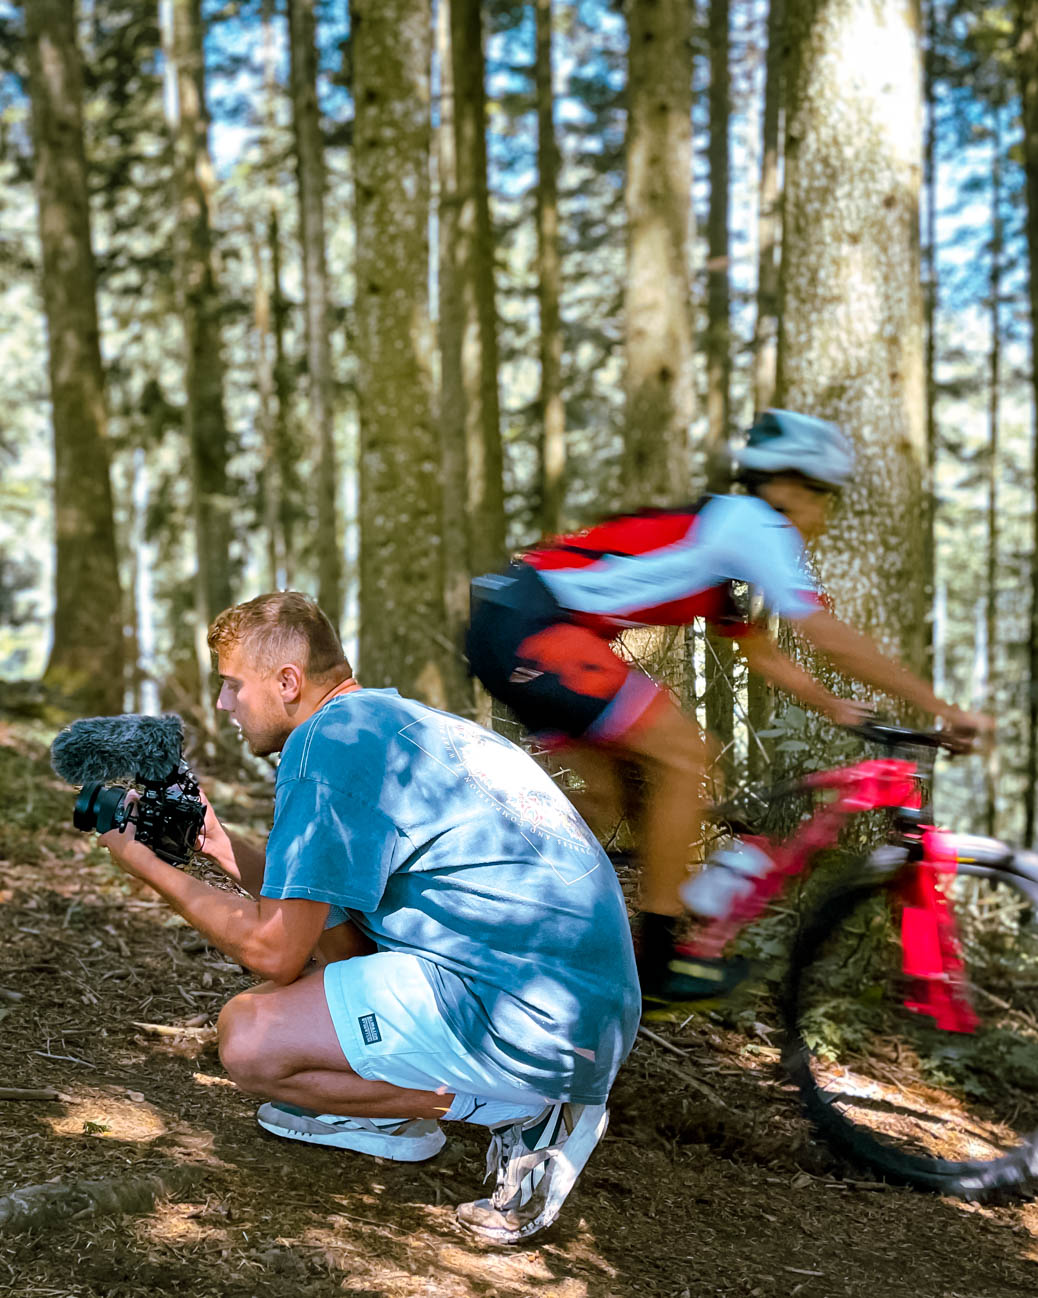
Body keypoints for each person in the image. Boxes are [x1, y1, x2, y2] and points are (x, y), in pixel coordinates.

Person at [98, 591, 640, 1244]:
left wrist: (148, 866)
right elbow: (317, 912)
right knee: (332, 931)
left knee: (248, 1037)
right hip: (584, 1009)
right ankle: (402, 1112)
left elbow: (274, 952)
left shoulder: (322, 746)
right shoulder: (384, 727)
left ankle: (521, 1108)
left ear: (288, 683)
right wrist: (213, 842)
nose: (223, 705)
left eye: (232, 687)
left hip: (524, 1012)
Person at [466, 409, 991, 1012]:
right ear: (791, 487)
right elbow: (822, 634)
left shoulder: (721, 537)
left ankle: (491, 901)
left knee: (604, 803)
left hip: (514, 620)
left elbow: (760, 651)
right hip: (534, 625)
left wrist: (835, 708)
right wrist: (940, 706)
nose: (823, 519)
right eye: (825, 500)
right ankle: (662, 961)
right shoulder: (752, 525)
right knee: (689, 757)